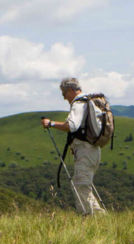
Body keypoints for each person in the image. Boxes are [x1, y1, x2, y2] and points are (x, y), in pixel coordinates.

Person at [41, 77, 105, 215]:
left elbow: (71, 125)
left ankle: (88, 218)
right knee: (82, 185)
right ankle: (99, 218)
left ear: (70, 90)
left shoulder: (79, 103)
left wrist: (51, 123)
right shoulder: (89, 101)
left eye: (64, 94)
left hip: (86, 151)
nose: (64, 98)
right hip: (92, 150)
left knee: (81, 186)